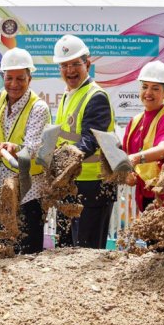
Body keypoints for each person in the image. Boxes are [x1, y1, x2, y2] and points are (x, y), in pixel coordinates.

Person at [51, 34, 116, 249]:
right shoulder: (68, 95)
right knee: (66, 250)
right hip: (70, 184)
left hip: (93, 186)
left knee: (87, 254)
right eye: (64, 65)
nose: (70, 70)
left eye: (75, 64)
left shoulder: (96, 96)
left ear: (87, 64)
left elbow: (90, 141)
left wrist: (60, 160)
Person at [0, 48, 52, 254]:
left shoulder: (38, 108)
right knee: (5, 245)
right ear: (3, 77)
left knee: (28, 249)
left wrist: (13, 148)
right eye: (9, 78)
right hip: (5, 183)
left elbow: (31, 148)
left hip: (30, 187)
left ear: (29, 78)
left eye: (20, 79)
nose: (14, 84)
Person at [122, 61, 164, 214]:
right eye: (145, 87)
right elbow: (126, 155)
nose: (148, 93)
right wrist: (127, 174)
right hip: (144, 197)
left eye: (155, 88)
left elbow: (162, 150)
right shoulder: (135, 121)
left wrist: (135, 158)